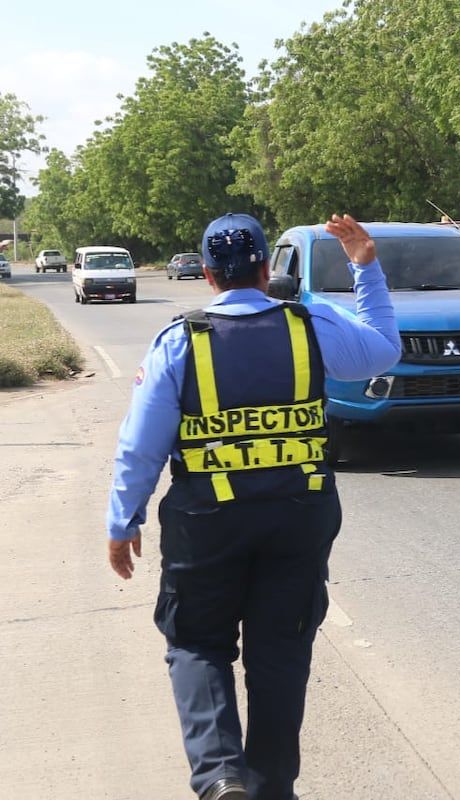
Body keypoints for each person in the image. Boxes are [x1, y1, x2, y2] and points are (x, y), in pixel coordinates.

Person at [106, 212, 402, 800]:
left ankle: (219, 777)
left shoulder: (180, 341)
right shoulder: (309, 322)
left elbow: (140, 446)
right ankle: (271, 789)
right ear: (268, 269)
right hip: (298, 515)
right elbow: (382, 352)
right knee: (281, 652)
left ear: (208, 275)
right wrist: (365, 268)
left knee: (196, 641)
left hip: (207, 523)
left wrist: (123, 521)